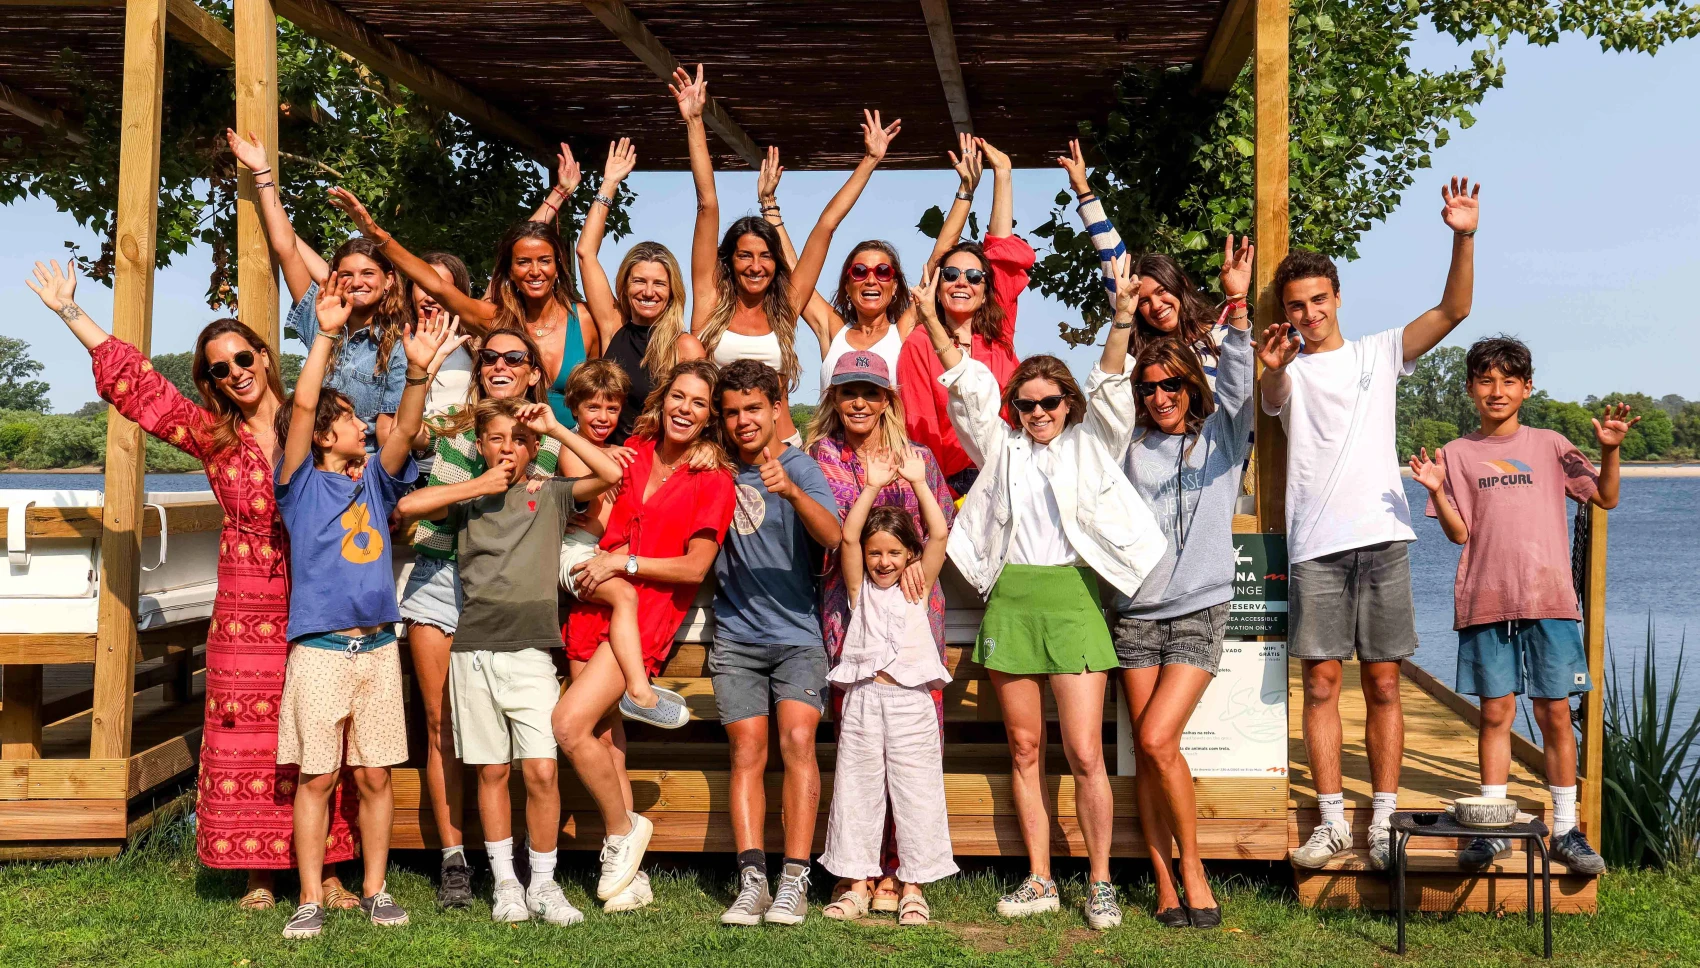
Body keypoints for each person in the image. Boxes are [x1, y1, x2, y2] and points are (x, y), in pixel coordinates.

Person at [25, 260, 361, 910]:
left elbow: (369, 475)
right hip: (244, 607)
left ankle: (328, 871)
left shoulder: (319, 417)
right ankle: (259, 873)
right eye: (219, 369)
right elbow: (140, 387)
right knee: (248, 738)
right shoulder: (213, 436)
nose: (235, 372)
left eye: (243, 358)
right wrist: (70, 312)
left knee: (322, 729)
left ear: (265, 357)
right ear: (211, 382)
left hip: (317, 596)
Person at [917, 257, 1165, 929]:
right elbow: (968, 387)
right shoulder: (1001, 449)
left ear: (1067, 405)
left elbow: (1110, 381)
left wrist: (1121, 317)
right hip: (1012, 603)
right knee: (1025, 751)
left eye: (1049, 403)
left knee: (1084, 753)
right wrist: (935, 322)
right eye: (1025, 405)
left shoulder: (1093, 443)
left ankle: (1101, 881)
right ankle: (1039, 879)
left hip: (1075, 601)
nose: (1037, 413)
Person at [1266, 177, 1481, 871]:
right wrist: (1272, 366)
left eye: (1318, 300)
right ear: (1286, 313)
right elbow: (1272, 393)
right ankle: (1331, 821)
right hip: (1315, 547)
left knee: (1386, 683)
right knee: (1321, 684)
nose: (1309, 314)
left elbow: (1454, 309)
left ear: (1337, 298)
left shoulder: (1378, 353)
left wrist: (1463, 235)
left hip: (1383, 538)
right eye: (1296, 306)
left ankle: (1385, 821)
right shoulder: (1285, 371)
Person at [271, 275, 462, 938]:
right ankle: (309, 898)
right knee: (318, 779)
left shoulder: (376, 483)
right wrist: (324, 336)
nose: (363, 425)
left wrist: (418, 371)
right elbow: (303, 406)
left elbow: (405, 428)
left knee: (377, 776)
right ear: (325, 437)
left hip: (379, 648)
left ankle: (376, 889)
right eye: (351, 420)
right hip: (320, 653)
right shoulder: (298, 488)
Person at [397, 398, 623, 926]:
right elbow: (408, 506)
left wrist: (556, 428)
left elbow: (610, 474)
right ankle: (505, 884)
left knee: (541, 769)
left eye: (519, 440)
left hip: (531, 652)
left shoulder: (550, 494)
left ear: (533, 448)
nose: (508, 448)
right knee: (493, 770)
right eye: (497, 439)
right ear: (479, 446)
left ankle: (543, 884)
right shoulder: (467, 501)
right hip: (473, 651)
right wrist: (477, 485)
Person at [1409, 336, 1628, 877]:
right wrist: (1435, 490)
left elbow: (1605, 496)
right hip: (1485, 601)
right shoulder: (1456, 454)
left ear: (1527, 388)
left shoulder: (1550, 444)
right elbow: (1459, 534)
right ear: (1470, 388)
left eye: (1509, 381)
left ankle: (1567, 829)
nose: (1497, 391)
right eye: (1485, 381)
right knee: (1495, 713)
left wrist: (1609, 450)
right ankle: (1492, 827)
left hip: (1550, 601)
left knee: (1554, 713)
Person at [554, 360, 736, 912]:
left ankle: (624, 830)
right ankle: (630, 878)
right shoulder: (630, 450)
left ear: (709, 416)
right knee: (605, 740)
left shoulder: (713, 478)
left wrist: (623, 563)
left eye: (699, 403)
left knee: (568, 725)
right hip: (591, 601)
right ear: (663, 398)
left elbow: (694, 567)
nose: (685, 409)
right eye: (678, 396)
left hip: (643, 616)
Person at [1110, 236, 1255, 929]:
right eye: (1149, 388)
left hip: (1199, 606)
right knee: (1148, 750)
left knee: (1158, 738)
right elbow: (1102, 398)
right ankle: (1164, 881)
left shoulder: (1221, 435)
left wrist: (1237, 305)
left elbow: (1240, 382)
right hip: (1135, 610)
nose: (1161, 396)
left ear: (1191, 385)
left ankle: (1193, 868)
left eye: (1172, 385)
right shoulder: (1130, 445)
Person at [397, 326, 560, 908]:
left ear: (533, 372)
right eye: (489, 356)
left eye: (514, 357)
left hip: (504, 591)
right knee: (440, 724)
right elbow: (404, 436)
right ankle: (454, 859)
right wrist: (420, 372)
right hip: (440, 582)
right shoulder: (449, 425)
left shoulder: (546, 437)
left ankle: (521, 863)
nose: (499, 365)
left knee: (513, 734)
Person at [805, 350, 955, 915]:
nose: (860, 402)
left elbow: (942, 526)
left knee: (914, 762)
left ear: (887, 399)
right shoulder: (821, 457)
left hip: (915, 611)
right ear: (835, 398)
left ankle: (902, 873)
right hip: (851, 616)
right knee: (860, 759)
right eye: (849, 392)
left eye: (870, 392)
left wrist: (915, 561)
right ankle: (858, 874)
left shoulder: (917, 458)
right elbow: (836, 537)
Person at [676, 63, 897, 444]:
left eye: (766, 256)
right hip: (720, 450)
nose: (756, 266)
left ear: (776, 263)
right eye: (745, 256)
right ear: (729, 262)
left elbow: (826, 227)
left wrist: (870, 160)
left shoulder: (785, 307)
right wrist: (695, 121)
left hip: (783, 449)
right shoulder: (710, 302)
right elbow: (707, 204)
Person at [709, 360, 844, 926]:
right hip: (736, 635)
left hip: (797, 636)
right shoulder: (713, 467)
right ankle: (752, 882)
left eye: (753, 409)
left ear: (775, 409)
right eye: (732, 412)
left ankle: (794, 879)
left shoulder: (799, 466)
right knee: (747, 752)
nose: (743, 420)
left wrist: (790, 491)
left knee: (798, 742)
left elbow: (834, 534)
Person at [325, 161, 598, 427]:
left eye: (545, 261)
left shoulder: (583, 319)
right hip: (511, 446)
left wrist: (566, 192)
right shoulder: (495, 319)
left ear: (558, 266)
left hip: (574, 449)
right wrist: (375, 233)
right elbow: (437, 285)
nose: (535, 271)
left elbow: (602, 393)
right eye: (523, 263)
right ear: (510, 271)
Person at [227, 130, 413, 452]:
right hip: (312, 466)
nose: (357, 282)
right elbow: (286, 248)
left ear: (389, 280)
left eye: (368, 273)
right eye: (347, 275)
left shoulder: (399, 344)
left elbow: (390, 435)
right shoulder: (321, 321)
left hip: (364, 469)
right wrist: (262, 174)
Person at [753, 135, 983, 389]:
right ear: (847, 285)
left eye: (883, 272)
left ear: (895, 287)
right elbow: (798, 271)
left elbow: (939, 256)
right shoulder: (832, 331)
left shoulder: (902, 333)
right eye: (860, 271)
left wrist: (966, 191)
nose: (871, 279)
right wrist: (769, 205)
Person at [555, 360, 691, 728]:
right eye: (592, 407)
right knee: (625, 596)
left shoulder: (610, 448)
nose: (603, 417)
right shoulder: (571, 448)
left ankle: (630, 688)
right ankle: (639, 690)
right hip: (572, 552)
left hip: (595, 551)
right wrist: (605, 456)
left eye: (612, 408)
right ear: (574, 408)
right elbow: (590, 490)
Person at [896, 136, 1034, 499]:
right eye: (951, 274)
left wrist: (1003, 174)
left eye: (974, 276)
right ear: (937, 285)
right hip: (955, 482)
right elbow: (920, 428)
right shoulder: (920, 344)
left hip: (1014, 468)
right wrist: (940, 498)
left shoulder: (998, 332)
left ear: (986, 290)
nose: (962, 282)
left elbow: (1001, 252)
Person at [1056, 139, 1234, 385]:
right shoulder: (1141, 350)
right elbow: (1111, 256)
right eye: (1144, 301)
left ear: (1181, 284)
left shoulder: (1223, 337)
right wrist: (1083, 190)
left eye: (1162, 291)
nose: (1157, 306)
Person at [575, 137, 706, 442]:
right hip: (607, 456)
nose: (648, 292)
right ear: (624, 286)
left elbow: (700, 415)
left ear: (672, 292)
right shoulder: (613, 325)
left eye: (659, 283)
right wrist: (609, 184)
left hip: (656, 461)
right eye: (639, 281)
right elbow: (585, 253)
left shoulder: (685, 347)